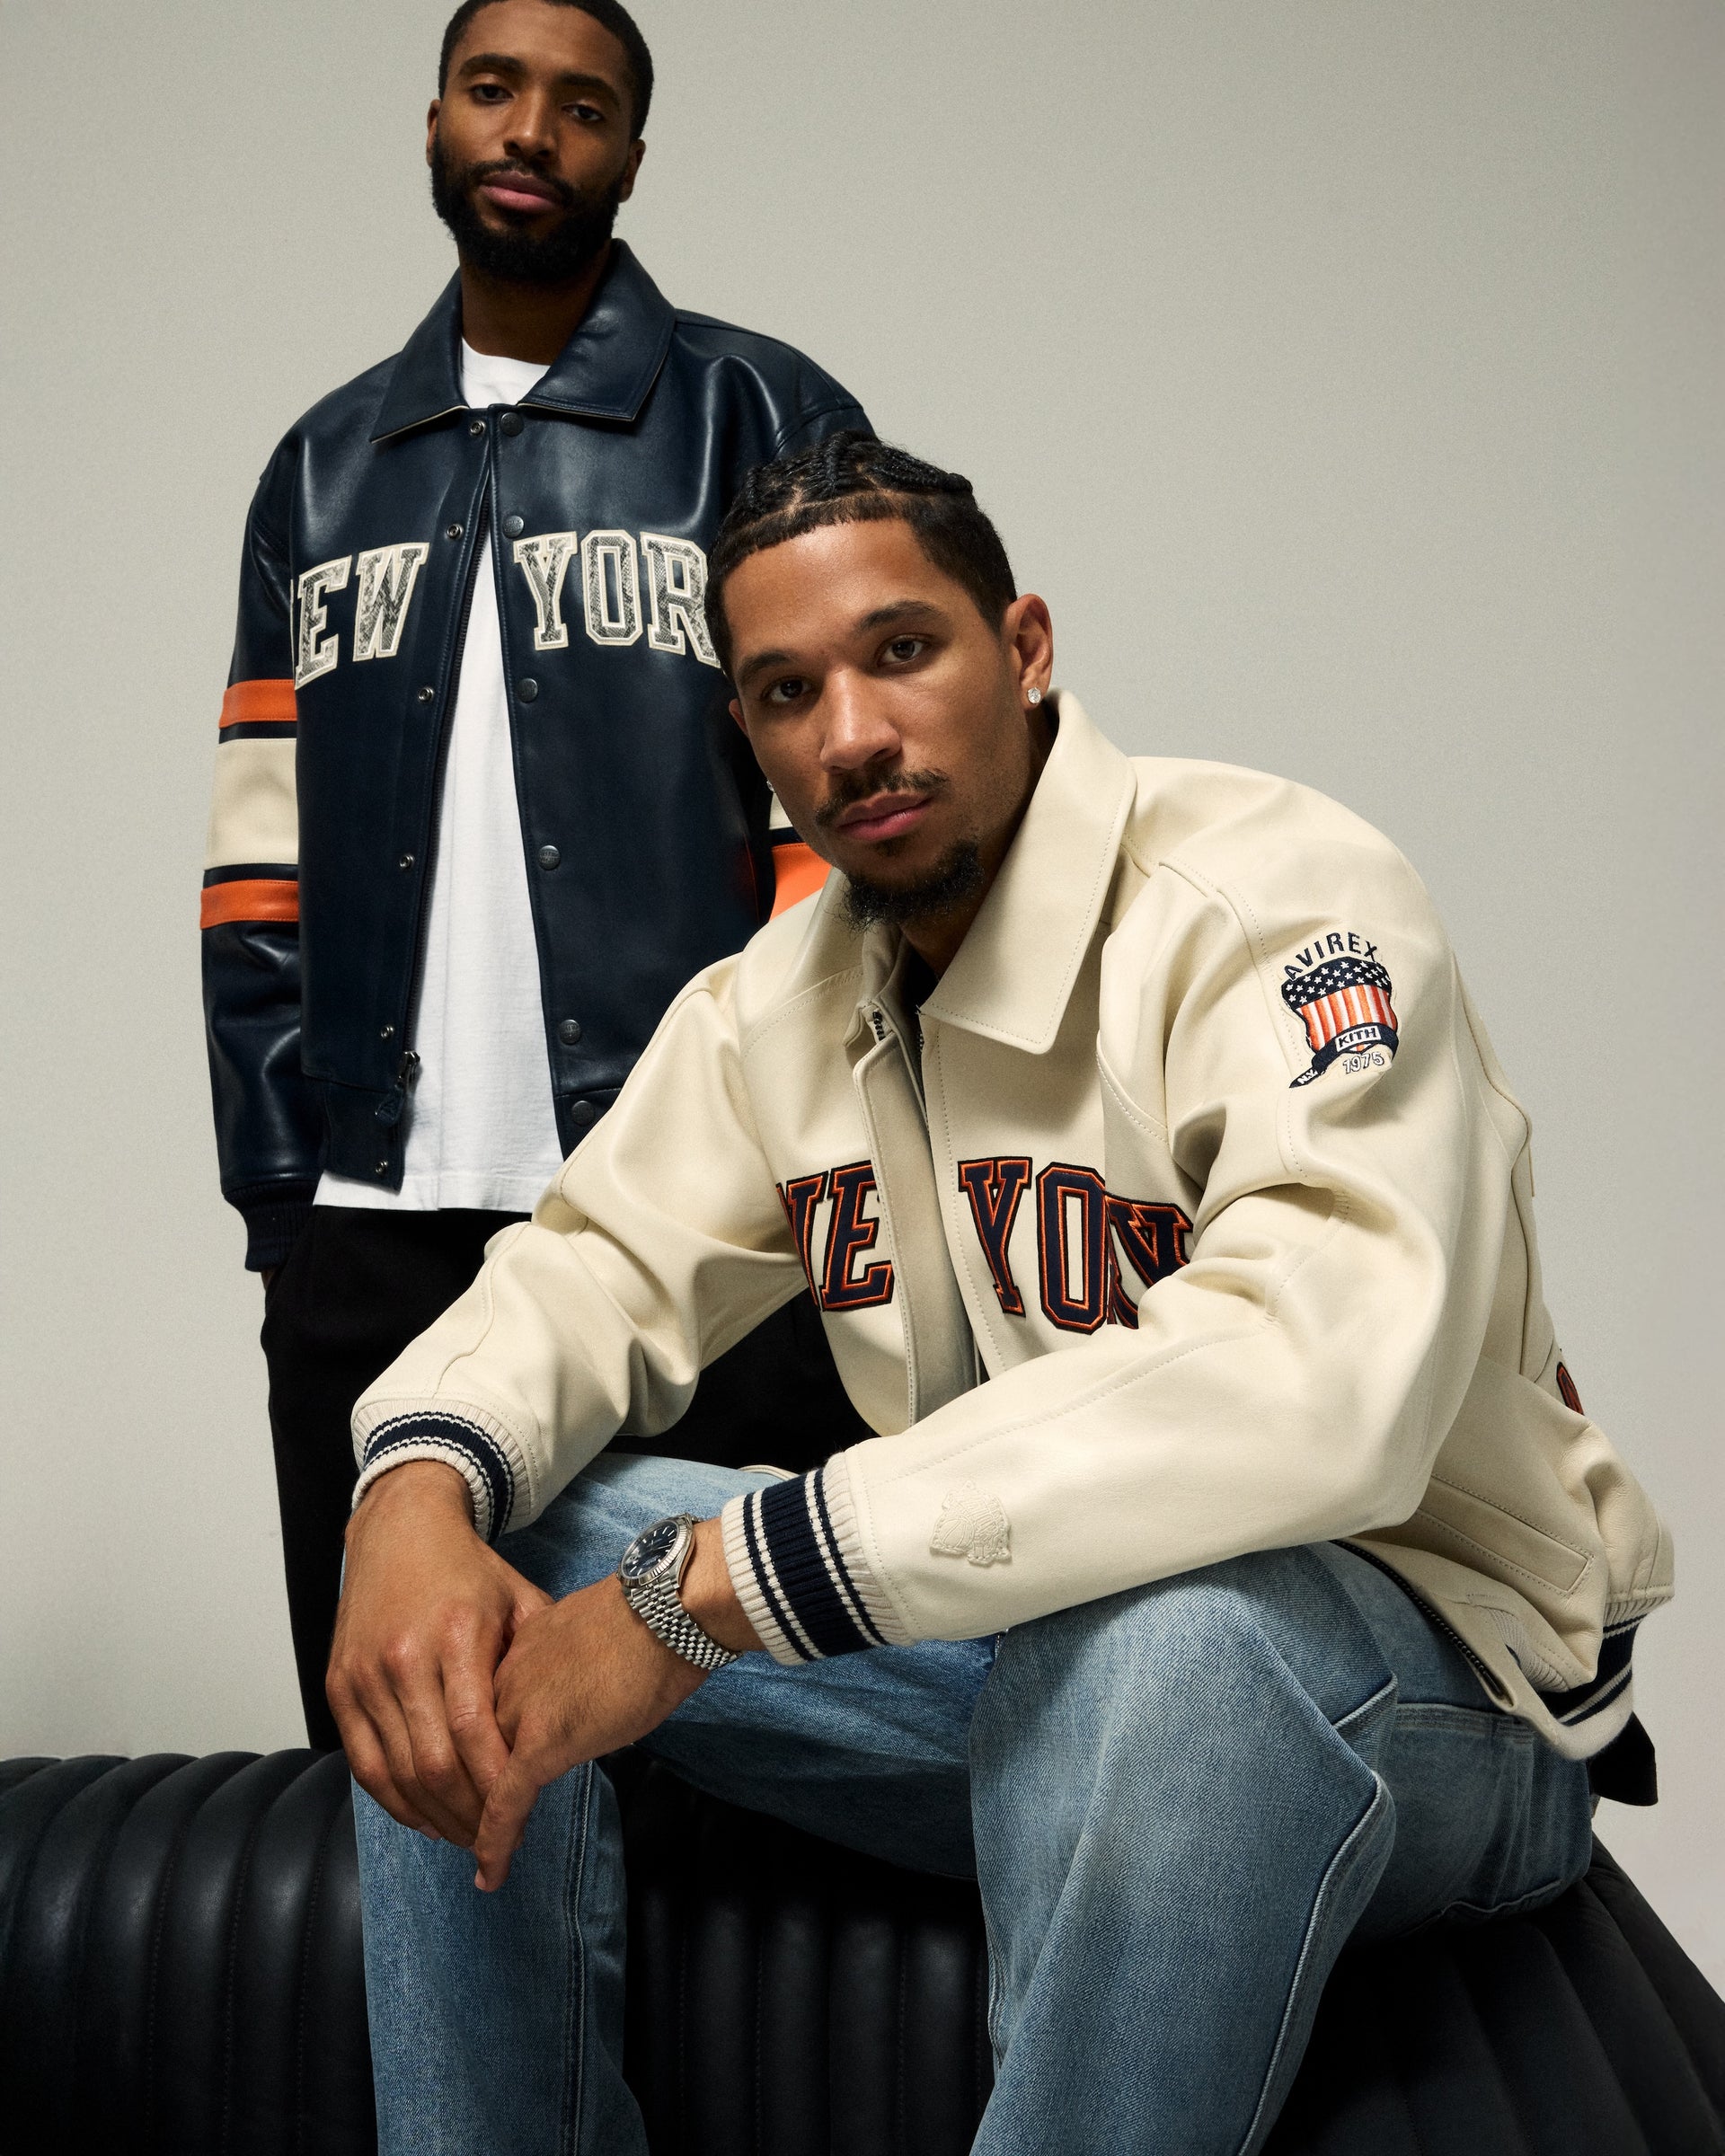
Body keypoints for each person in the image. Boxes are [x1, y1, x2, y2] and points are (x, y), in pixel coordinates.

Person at [330, 434, 1672, 2154]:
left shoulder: (1272, 900)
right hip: (1024, 1662)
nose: (851, 734)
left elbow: (1318, 1378)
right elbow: (589, 1271)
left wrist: (708, 1596)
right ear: (747, 736)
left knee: (1176, 1650)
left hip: (1427, 1683)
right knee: (477, 1569)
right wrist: (410, 1492)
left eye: (902, 650)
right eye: (788, 691)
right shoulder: (778, 1004)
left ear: (1024, 649)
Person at [199, 0, 871, 1748]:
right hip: (370, 1232)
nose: (529, 131)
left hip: (700, 1223)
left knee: (738, 1746)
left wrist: (802, 1156)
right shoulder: (323, 470)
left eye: (582, 106)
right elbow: (256, 859)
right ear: (435, 119)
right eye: (493, 89)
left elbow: (846, 815)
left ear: (631, 156)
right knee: (413, 1764)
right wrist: (284, 1205)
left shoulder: (757, 416)